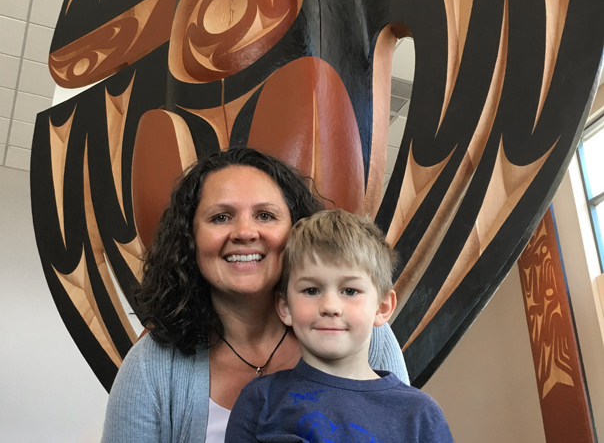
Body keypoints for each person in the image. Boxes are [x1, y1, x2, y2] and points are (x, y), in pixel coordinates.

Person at [101, 148, 409, 443]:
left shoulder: (367, 335)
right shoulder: (152, 364)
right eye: (221, 217)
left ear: (296, 230)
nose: (245, 232)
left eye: (265, 215)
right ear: (190, 239)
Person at [224, 209, 452, 442]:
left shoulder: (419, 414)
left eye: (350, 291)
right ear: (285, 307)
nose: (330, 306)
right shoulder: (261, 400)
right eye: (311, 290)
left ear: (382, 307)